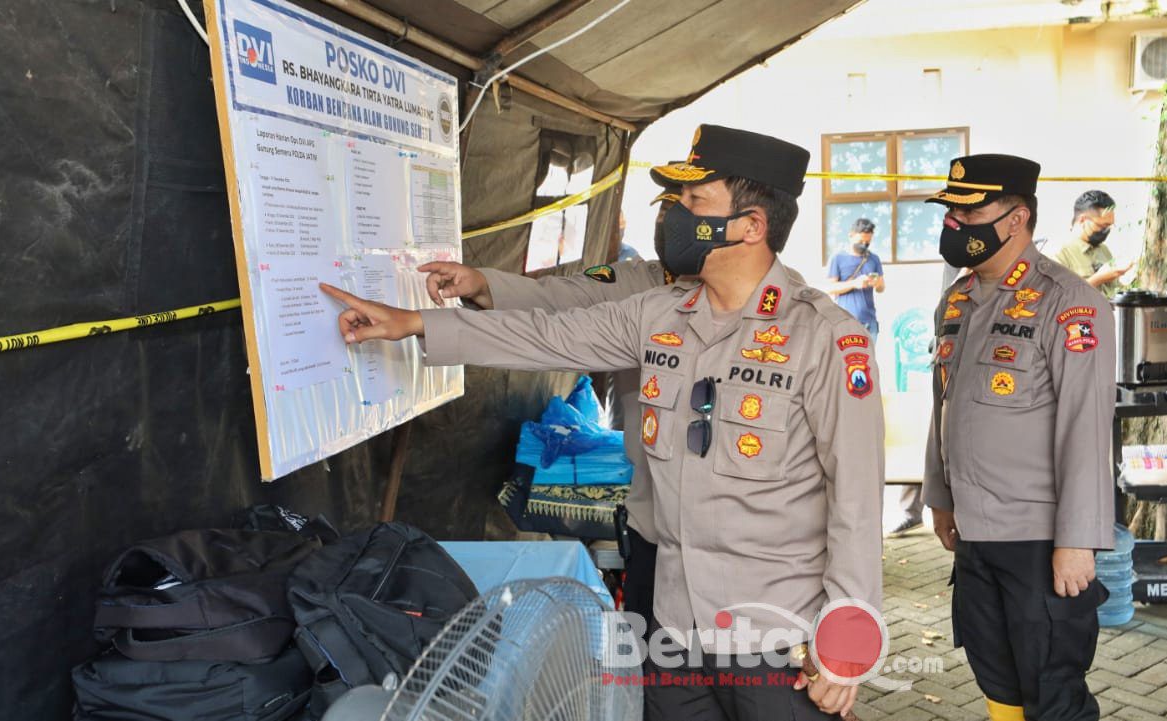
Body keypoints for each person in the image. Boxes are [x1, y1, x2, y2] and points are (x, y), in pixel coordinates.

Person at [322, 125, 884, 720]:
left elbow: (855, 498)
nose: (675, 213)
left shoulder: (825, 339)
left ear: (751, 225)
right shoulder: (658, 312)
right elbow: (546, 335)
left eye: (694, 202)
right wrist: (415, 324)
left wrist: (845, 646)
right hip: (674, 628)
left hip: (776, 639)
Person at [414, 180, 687, 636]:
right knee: (659, 675)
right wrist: (481, 284)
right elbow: (558, 306)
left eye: (693, 205)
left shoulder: (787, 323)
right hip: (652, 523)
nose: (671, 220)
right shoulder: (643, 282)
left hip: (735, 545)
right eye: (668, 207)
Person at [923, 154, 1115, 721]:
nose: (956, 220)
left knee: (1051, 689)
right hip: (975, 533)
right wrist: (939, 497)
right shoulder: (956, 300)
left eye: (972, 208)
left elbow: (1085, 427)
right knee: (997, 679)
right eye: (952, 209)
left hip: (1039, 538)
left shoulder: (1069, 302)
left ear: (1016, 219)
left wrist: (1078, 540)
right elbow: (944, 407)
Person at [1051, 190, 1134, 298]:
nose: (1106, 231)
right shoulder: (1058, 252)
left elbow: (1114, 291)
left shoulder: (1103, 250)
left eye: (1110, 226)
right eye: (1103, 226)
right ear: (1082, 220)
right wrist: (1099, 278)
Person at [825, 218, 885, 336]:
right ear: (851, 235)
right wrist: (854, 284)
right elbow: (830, 289)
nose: (864, 245)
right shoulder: (838, 258)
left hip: (869, 321)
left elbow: (881, 288)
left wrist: (877, 283)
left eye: (867, 242)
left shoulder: (874, 259)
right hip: (845, 322)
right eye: (861, 241)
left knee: (870, 355)